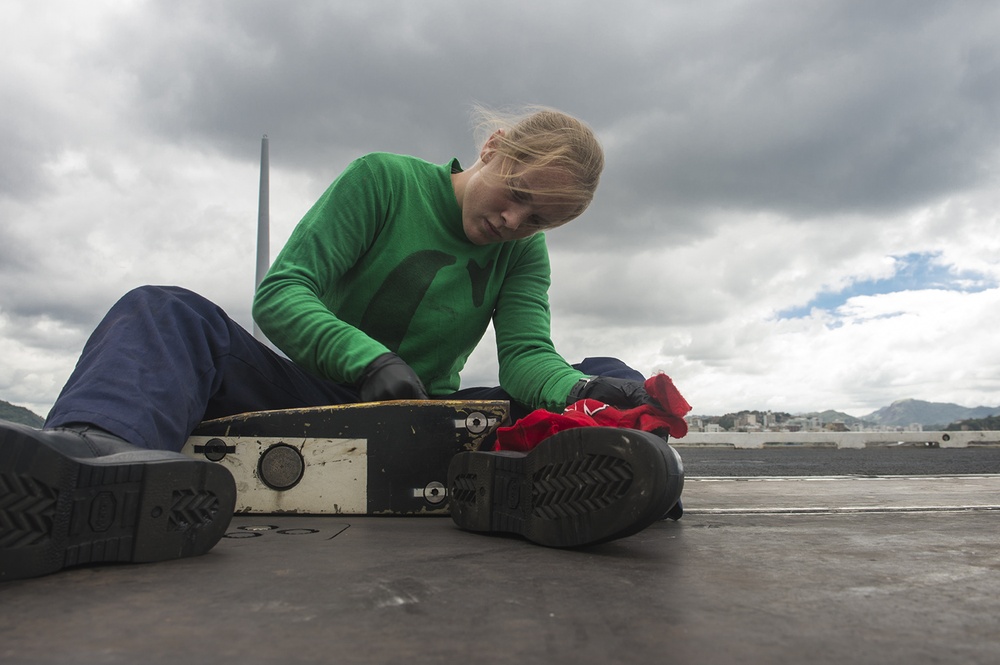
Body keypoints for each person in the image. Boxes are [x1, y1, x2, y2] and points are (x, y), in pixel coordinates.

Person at [0, 106, 682, 582]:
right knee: (163, 309)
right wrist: (370, 359)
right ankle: (93, 469)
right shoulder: (384, 180)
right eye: (517, 194)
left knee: (603, 373)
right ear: (494, 147)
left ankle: (634, 471)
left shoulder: (523, 254)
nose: (513, 221)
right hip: (324, 395)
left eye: (539, 220)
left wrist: (583, 394)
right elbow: (283, 292)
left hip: (430, 420)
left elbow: (527, 356)